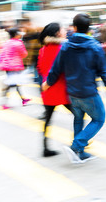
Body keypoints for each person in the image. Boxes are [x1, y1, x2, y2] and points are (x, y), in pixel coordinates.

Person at [42, 13, 106, 164]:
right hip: (88, 91)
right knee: (99, 119)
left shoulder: (66, 46)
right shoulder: (95, 46)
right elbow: (103, 68)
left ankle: (79, 154)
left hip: (72, 92)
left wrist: (47, 83)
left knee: (79, 118)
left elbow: (56, 69)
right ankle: (76, 146)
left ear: (74, 28)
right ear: (89, 29)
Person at [37, 23, 72, 157]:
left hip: (47, 89)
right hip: (62, 89)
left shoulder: (43, 49)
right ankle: (78, 145)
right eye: (63, 29)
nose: (65, 31)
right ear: (58, 33)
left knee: (47, 120)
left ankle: (45, 148)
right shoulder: (63, 48)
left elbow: (40, 69)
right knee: (79, 115)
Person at [0, 28, 30, 109]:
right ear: (16, 34)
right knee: (12, 83)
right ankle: (4, 102)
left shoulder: (6, 43)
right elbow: (24, 54)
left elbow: (2, 54)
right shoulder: (18, 43)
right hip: (15, 66)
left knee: (14, 82)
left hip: (7, 66)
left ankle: (23, 99)